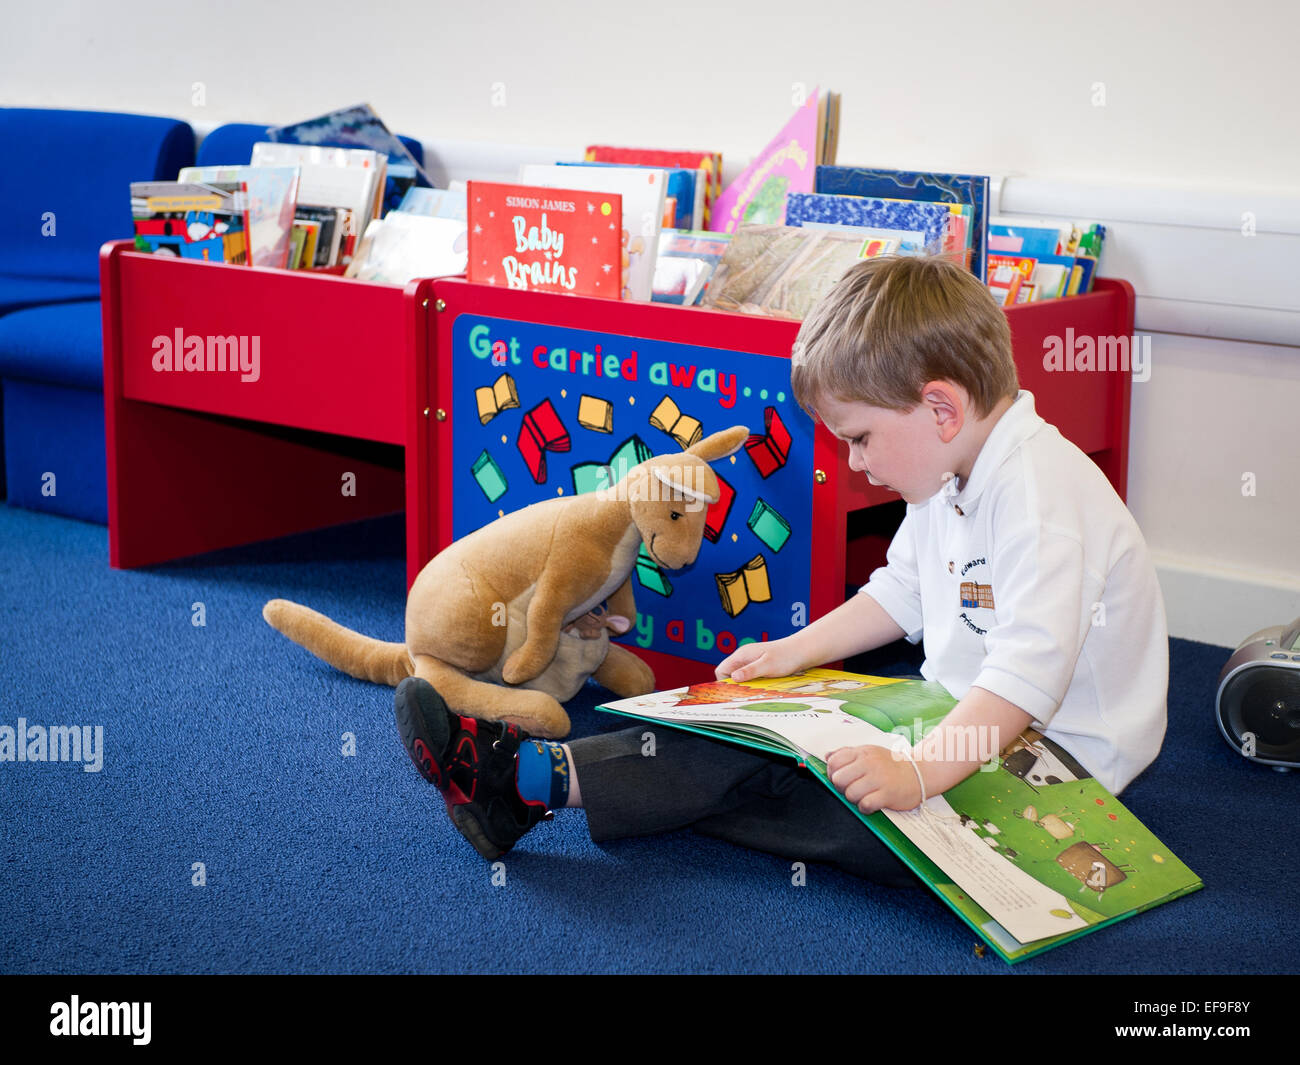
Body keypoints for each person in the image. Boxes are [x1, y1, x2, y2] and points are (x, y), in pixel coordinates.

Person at [392, 254, 1169, 886]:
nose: (856, 464)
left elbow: (1025, 678)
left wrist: (920, 774)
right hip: (955, 715)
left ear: (941, 409)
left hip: (1059, 768)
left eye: (860, 439)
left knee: (837, 804)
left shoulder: (1037, 496)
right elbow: (901, 592)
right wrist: (792, 657)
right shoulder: (948, 471)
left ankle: (539, 787)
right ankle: (526, 778)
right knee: (763, 735)